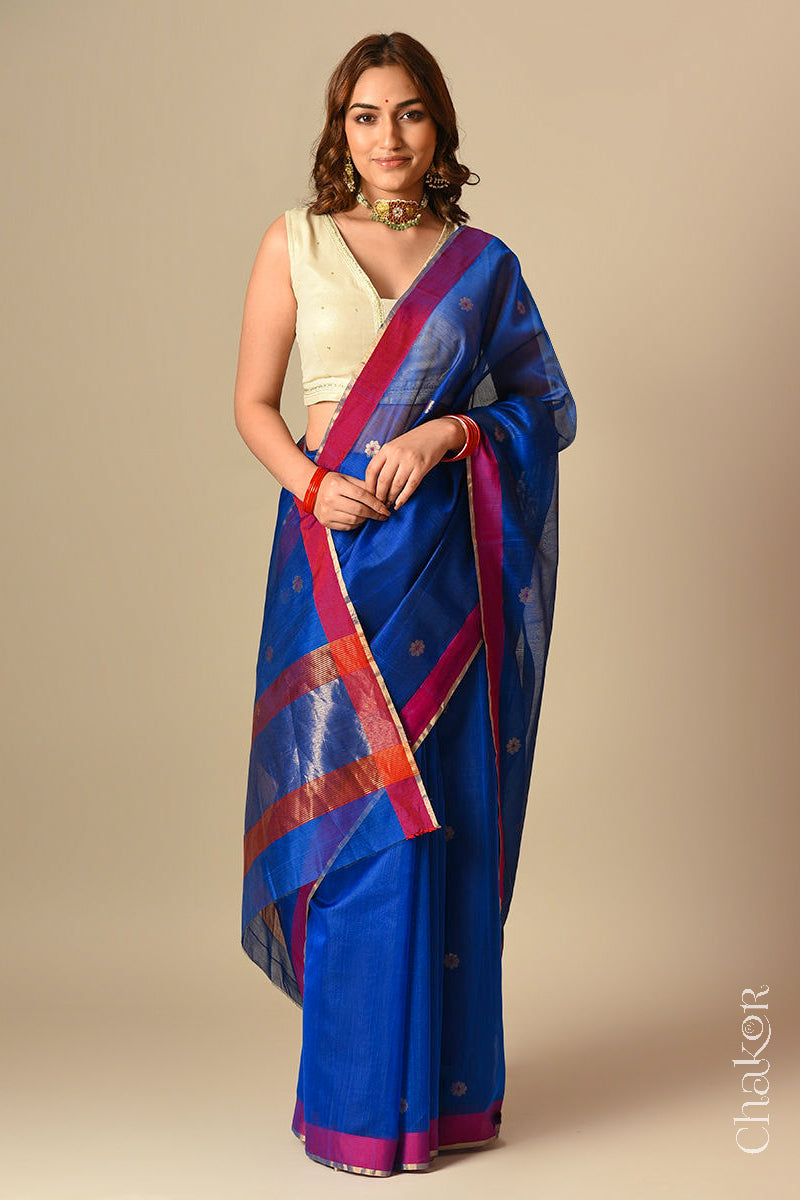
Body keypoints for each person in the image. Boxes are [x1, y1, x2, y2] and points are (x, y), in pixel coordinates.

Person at [233, 31, 577, 1177]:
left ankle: (448, 1105)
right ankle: (352, 1110)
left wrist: (449, 430)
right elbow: (251, 405)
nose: (388, 137)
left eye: (410, 113)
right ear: (340, 130)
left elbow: (545, 407)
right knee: (354, 827)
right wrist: (313, 486)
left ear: (440, 127)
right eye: (366, 115)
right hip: (331, 562)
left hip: (445, 562)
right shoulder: (295, 245)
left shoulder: (481, 266)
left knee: (448, 819)